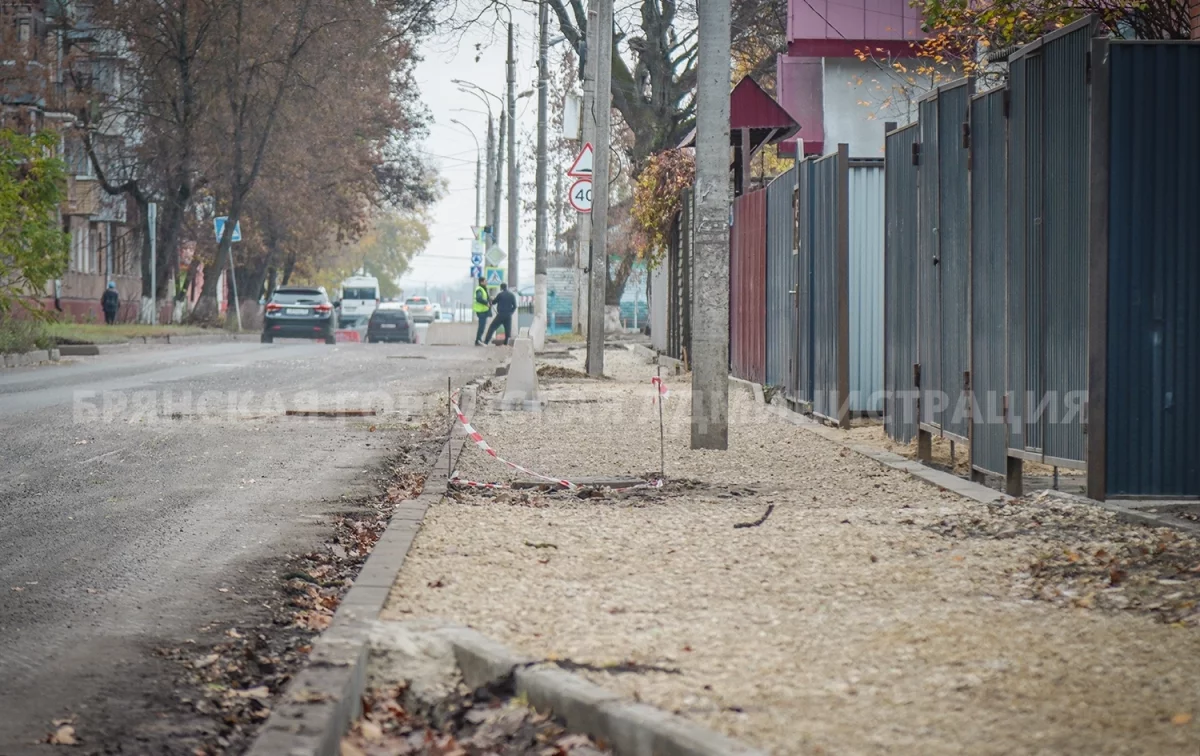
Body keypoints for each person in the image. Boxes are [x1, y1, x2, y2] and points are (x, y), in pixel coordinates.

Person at [472, 277, 491, 346]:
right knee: (481, 326)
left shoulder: (483, 289)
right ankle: (478, 340)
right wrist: (486, 303)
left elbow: (484, 297)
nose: (486, 282)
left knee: (482, 326)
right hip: (481, 311)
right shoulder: (479, 289)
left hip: (483, 310)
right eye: (485, 281)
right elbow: (479, 298)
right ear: (481, 282)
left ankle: (478, 340)